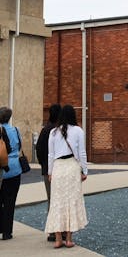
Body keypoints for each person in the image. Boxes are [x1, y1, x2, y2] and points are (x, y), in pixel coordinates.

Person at [45, 104, 88, 249]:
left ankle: (58, 238)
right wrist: (85, 170)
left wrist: (50, 172)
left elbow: (50, 154)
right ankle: (69, 239)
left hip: (57, 167)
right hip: (71, 167)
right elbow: (82, 153)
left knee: (57, 202)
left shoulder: (53, 132)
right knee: (71, 202)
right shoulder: (78, 131)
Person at [35, 103, 62, 242]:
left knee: (52, 201)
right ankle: (63, 231)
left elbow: (38, 149)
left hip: (48, 170)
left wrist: (43, 164)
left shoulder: (46, 130)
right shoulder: (61, 130)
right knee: (62, 200)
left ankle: (53, 231)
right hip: (62, 169)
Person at [0, 107, 24, 241]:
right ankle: (7, 232)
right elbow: (19, 146)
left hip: (2, 169)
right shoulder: (16, 130)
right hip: (15, 168)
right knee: (10, 202)